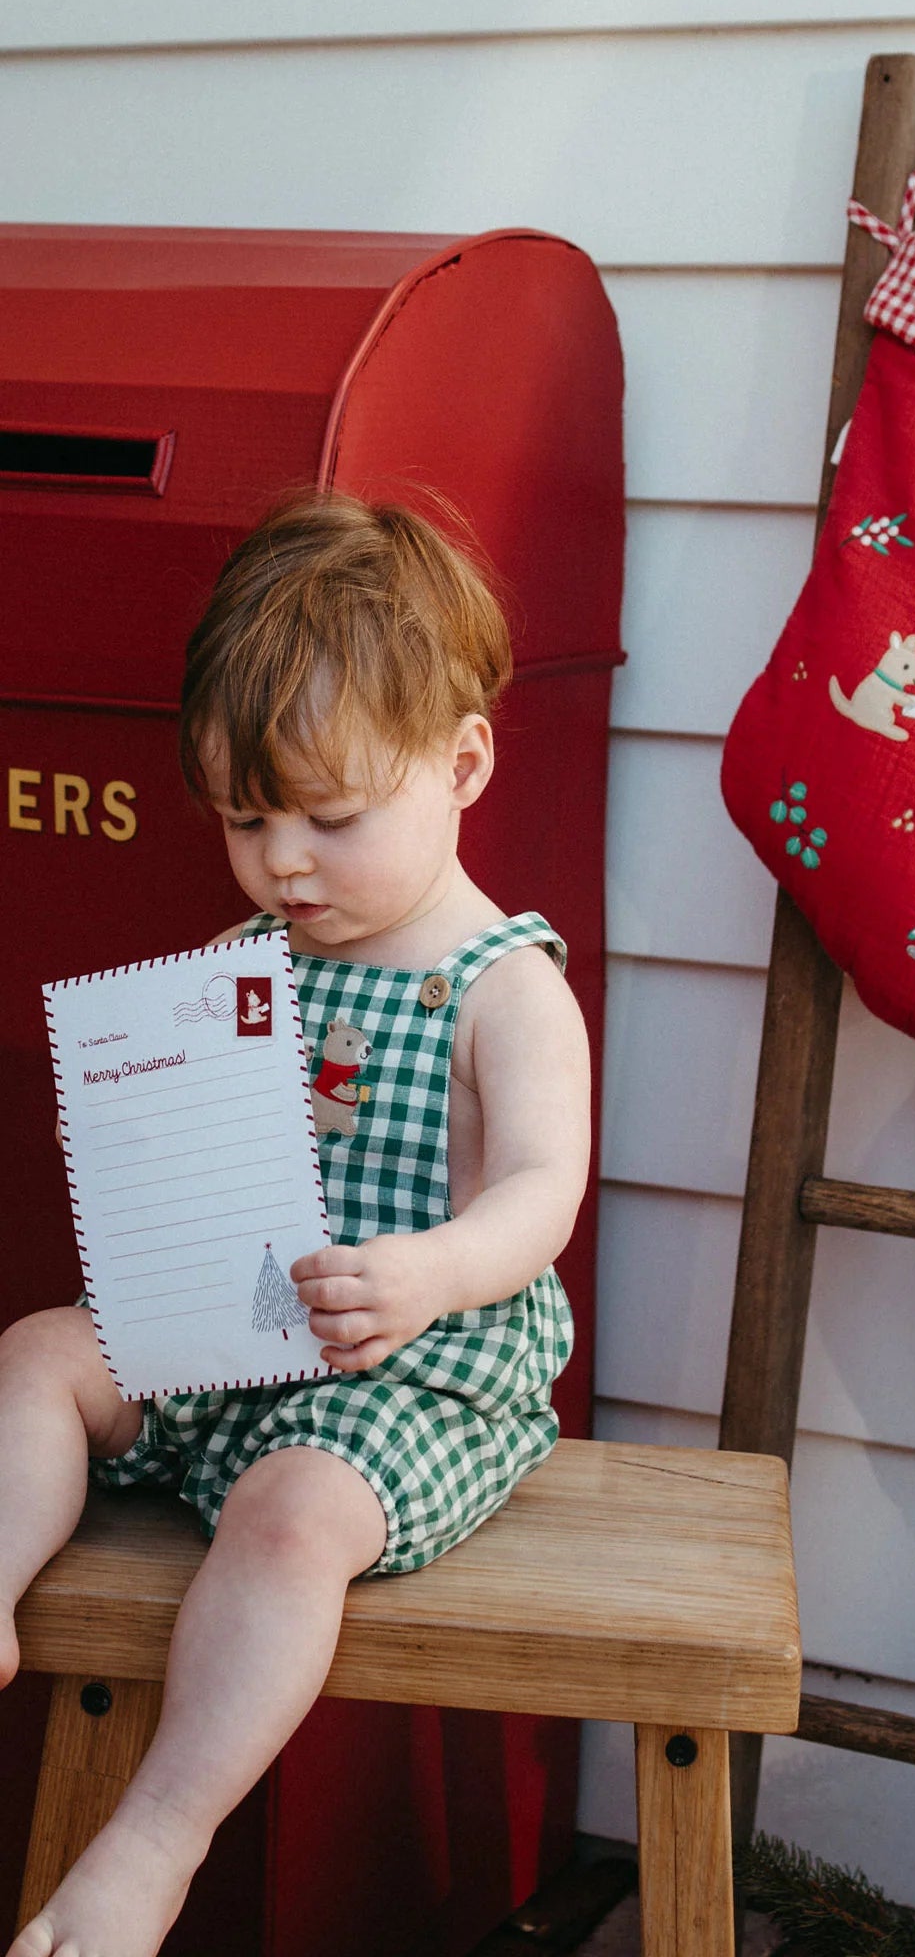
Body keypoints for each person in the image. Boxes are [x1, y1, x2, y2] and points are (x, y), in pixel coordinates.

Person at [0, 490, 591, 1957]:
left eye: (332, 817)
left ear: (461, 766)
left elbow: (540, 1191)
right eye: (247, 819)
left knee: (287, 1515)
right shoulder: (245, 956)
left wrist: (430, 1273)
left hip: (416, 1383)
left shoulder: (502, 987)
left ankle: (154, 1841)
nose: (285, 865)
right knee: (39, 1352)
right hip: (241, 1341)